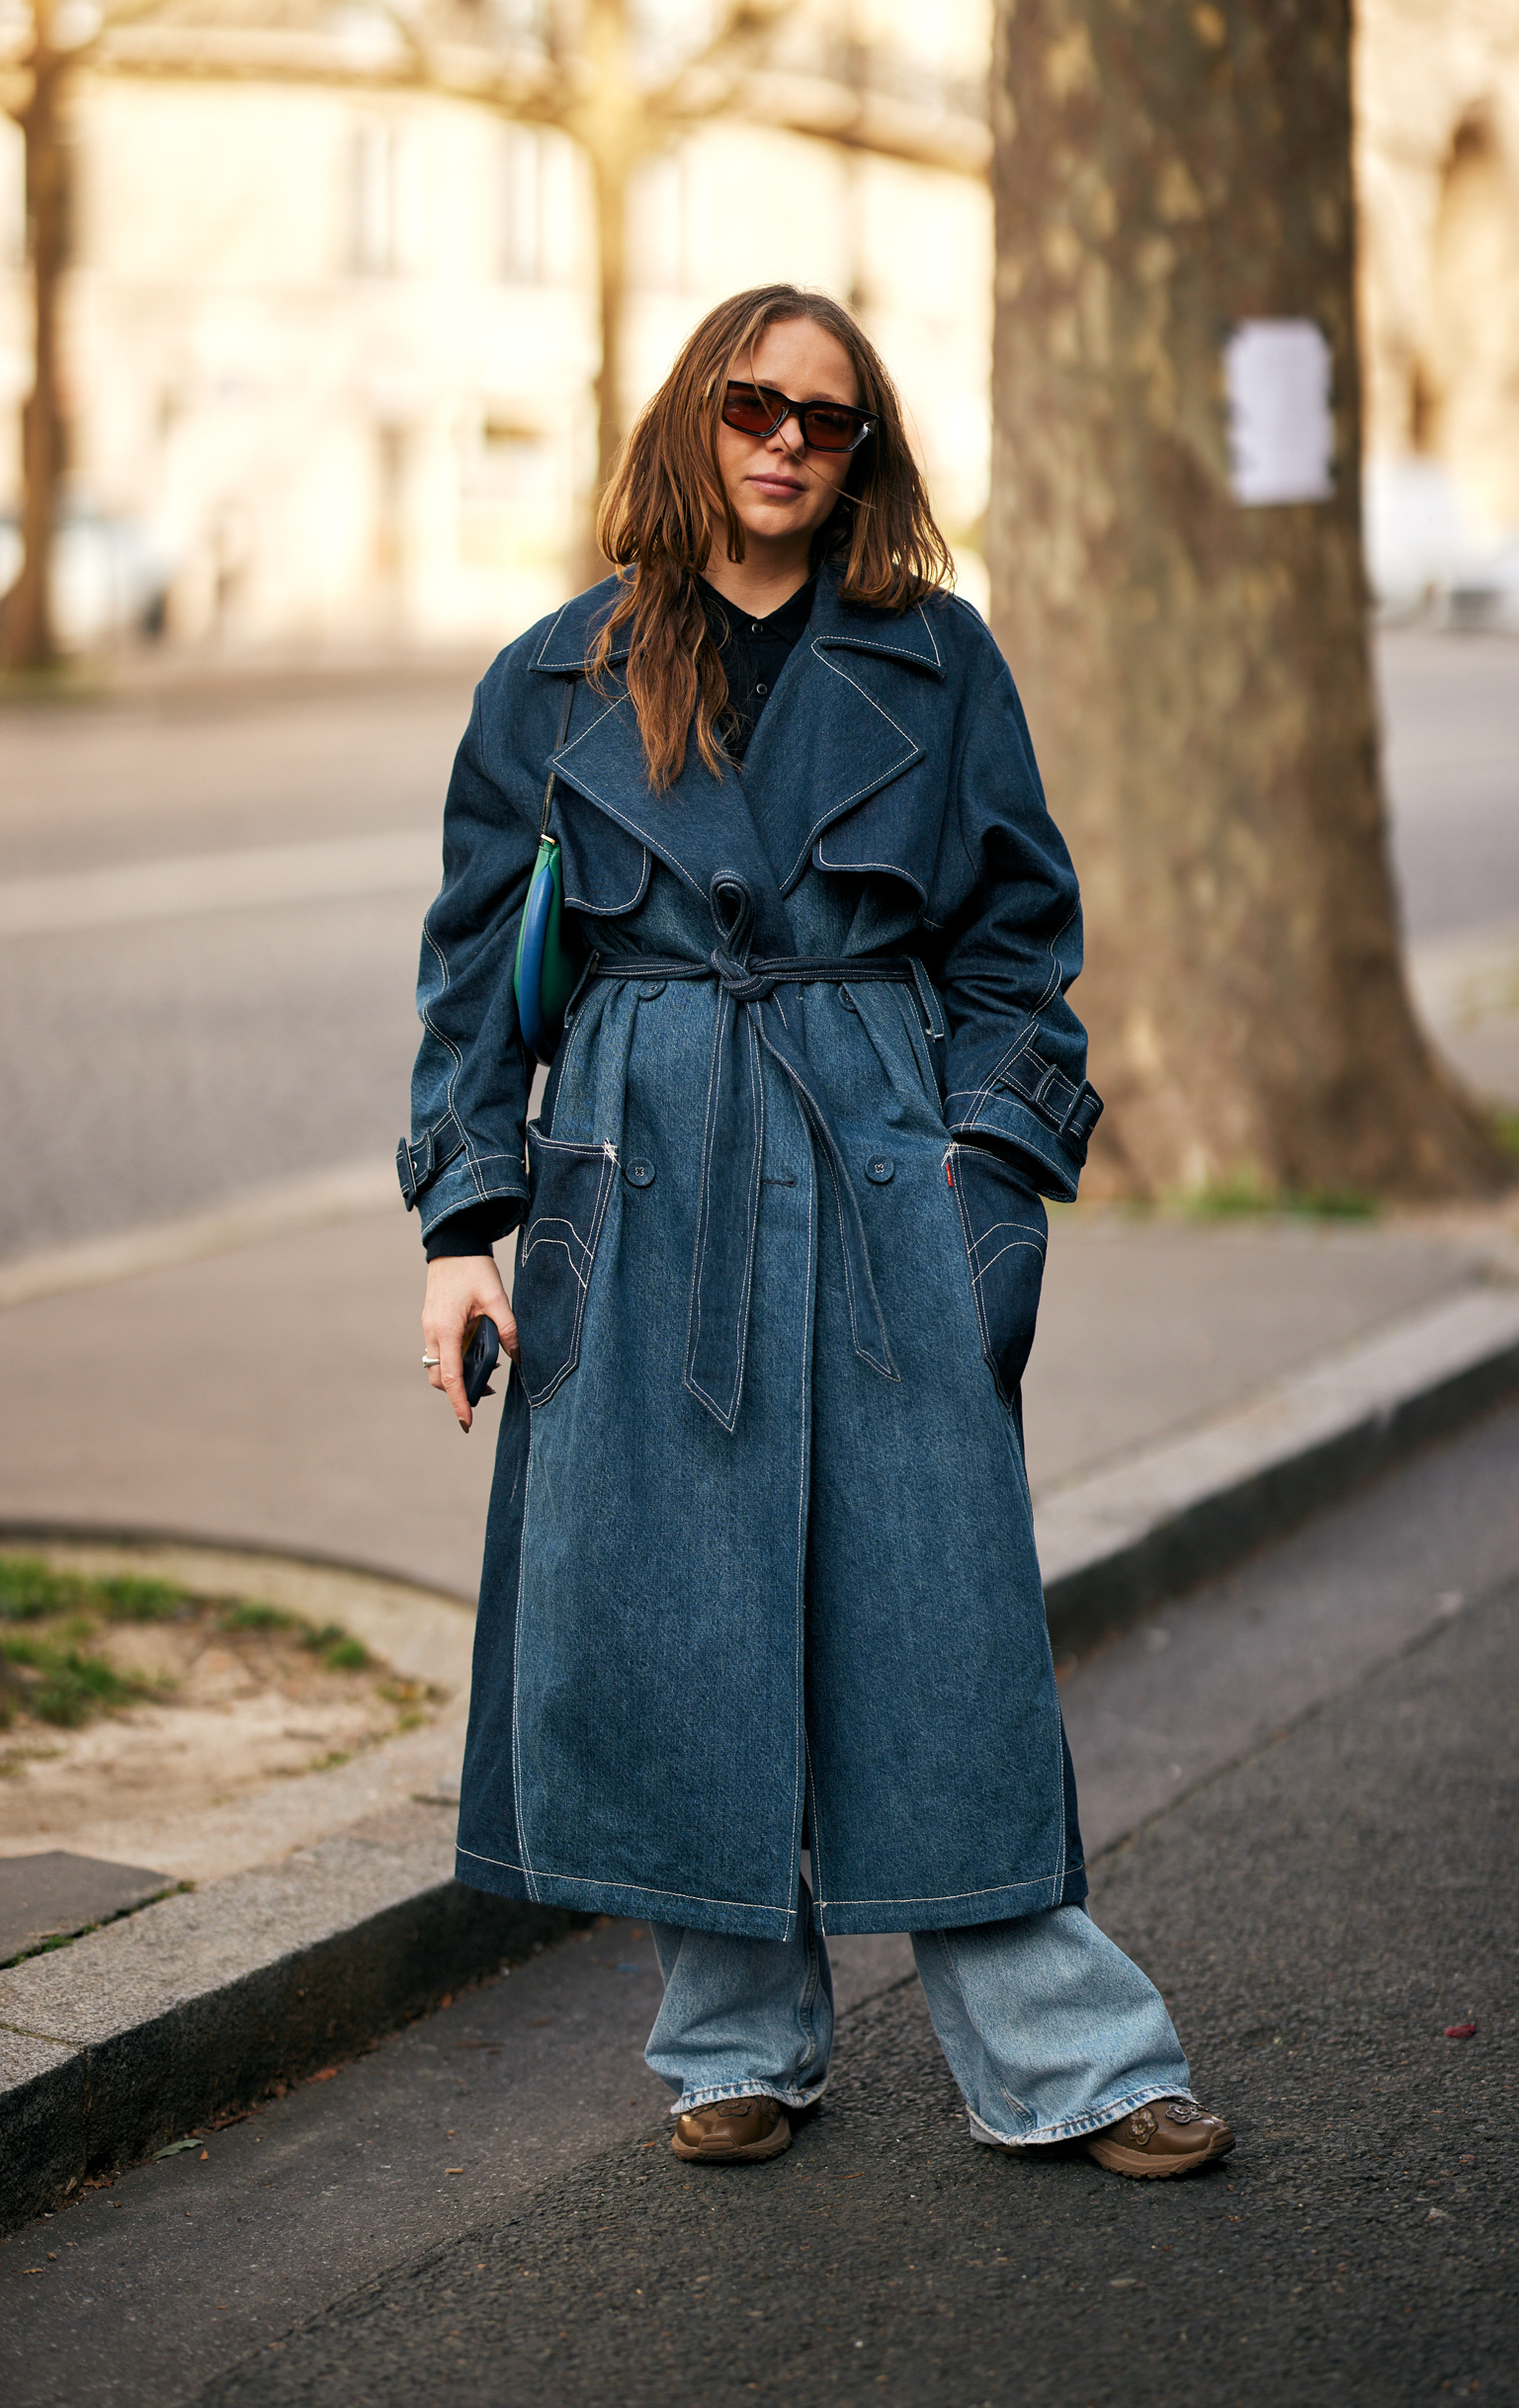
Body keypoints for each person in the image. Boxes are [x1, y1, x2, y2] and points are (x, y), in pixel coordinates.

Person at [404, 284, 1232, 2181]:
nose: (785, 440)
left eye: (828, 420)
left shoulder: (938, 663)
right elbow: (475, 982)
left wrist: (990, 1180)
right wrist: (465, 1228)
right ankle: (732, 2035)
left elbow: (1023, 947)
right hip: (636, 1159)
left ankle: (1070, 2052)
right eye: (754, 404)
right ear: (693, 415)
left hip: (881, 1159)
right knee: (676, 1614)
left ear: (865, 454)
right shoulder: (548, 682)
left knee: (937, 1616)